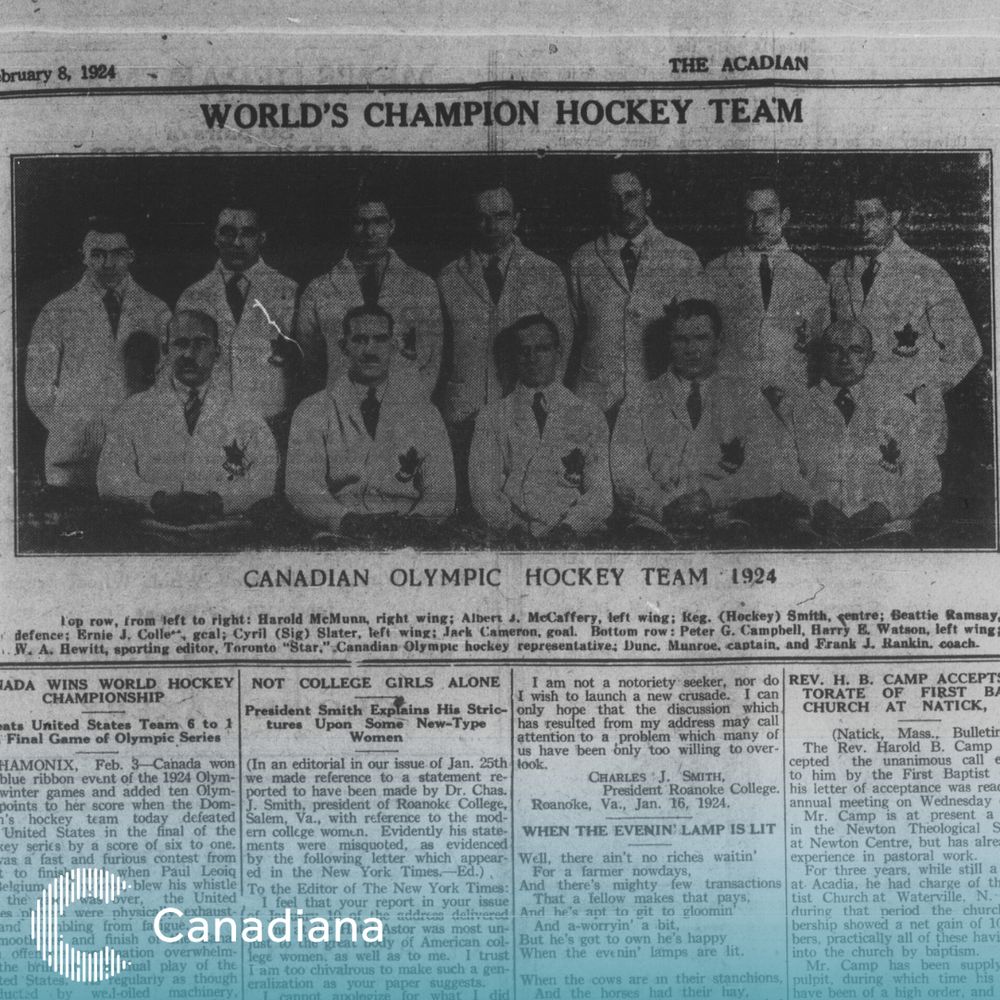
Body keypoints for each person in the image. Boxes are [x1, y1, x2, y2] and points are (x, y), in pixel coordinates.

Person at [611, 299, 801, 541]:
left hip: (727, 519)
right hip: (657, 522)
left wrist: (710, 498)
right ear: (669, 343)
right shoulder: (639, 400)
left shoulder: (747, 397)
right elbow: (625, 473)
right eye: (681, 339)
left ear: (718, 342)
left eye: (701, 338)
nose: (692, 349)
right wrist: (664, 508)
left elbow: (767, 469)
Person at [437, 180, 573, 502]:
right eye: (483, 217)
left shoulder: (545, 273)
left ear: (517, 219)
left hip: (522, 409)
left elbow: (561, 347)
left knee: (521, 496)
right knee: (470, 502)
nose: (492, 226)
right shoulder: (448, 278)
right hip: (464, 410)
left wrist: (545, 404)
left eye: (501, 215)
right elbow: (438, 354)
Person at [285, 304, 455, 539]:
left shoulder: (425, 413)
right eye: (360, 340)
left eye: (380, 340)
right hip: (341, 533)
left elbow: (442, 491)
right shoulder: (312, 410)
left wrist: (415, 524)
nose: (370, 350)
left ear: (394, 346)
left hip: (409, 532)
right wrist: (345, 521)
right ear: (344, 346)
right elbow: (301, 488)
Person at [25, 215, 170, 488]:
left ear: (131, 256)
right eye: (98, 254)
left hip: (138, 449)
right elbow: (37, 388)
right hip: (74, 457)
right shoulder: (56, 311)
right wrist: (74, 431)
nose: (108, 264)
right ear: (84, 257)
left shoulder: (157, 311)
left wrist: (142, 431)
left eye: (117, 254)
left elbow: (168, 381)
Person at [97, 310, 279, 524]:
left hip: (222, 537)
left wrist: (217, 502)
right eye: (180, 344)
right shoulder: (131, 412)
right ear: (166, 351)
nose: (189, 354)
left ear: (218, 351)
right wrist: (157, 499)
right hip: (152, 537)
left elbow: (264, 480)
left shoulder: (247, 417)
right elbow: (109, 477)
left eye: (201, 343)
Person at [782, 318, 946, 545]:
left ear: (870, 358)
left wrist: (883, 510)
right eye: (834, 350)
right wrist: (817, 506)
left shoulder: (897, 407)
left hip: (883, 530)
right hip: (818, 529)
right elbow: (783, 471)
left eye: (855, 350)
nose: (845, 359)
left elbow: (925, 476)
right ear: (821, 356)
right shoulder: (797, 408)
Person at [569, 161, 707, 419]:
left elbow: (697, 339)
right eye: (614, 199)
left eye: (631, 196)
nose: (624, 207)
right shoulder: (583, 259)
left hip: (660, 403)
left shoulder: (681, 258)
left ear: (648, 197)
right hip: (595, 402)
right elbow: (570, 338)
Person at [827, 177, 982, 400]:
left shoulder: (927, 271)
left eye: (872, 216)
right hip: (853, 410)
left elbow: (967, 348)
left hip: (909, 418)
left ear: (894, 216)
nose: (863, 227)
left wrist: (921, 395)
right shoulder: (838, 272)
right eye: (856, 218)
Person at [469, 314, 611, 543]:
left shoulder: (589, 415)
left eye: (542, 349)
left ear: (558, 352)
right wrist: (514, 529)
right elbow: (483, 493)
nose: (532, 358)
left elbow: (601, 495)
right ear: (514, 357)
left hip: (573, 536)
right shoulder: (491, 416)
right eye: (524, 350)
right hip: (512, 537)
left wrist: (568, 529)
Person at [295, 184, 442, 399]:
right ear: (349, 226)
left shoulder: (422, 286)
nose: (370, 232)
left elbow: (431, 361)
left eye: (378, 222)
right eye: (360, 222)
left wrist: (411, 409)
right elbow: (310, 360)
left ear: (391, 226)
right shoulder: (318, 290)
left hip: (403, 410)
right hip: (338, 408)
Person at [175, 197, 299, 428]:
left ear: (262, 237)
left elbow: (304, 365)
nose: (237, 242)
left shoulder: (289, 291)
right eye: (228, 232)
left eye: (248, 233)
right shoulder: (192, 297)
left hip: (273, 423)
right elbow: (178, 367)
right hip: (210, 424)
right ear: (215, 237)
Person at [706, 177, 827, 403]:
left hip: (792, 403)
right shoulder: (715, 273)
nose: (758, 223)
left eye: (767, 213)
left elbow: (820, 355)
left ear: (785, 216)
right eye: (750, 214)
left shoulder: (810, 278)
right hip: (732, 401)